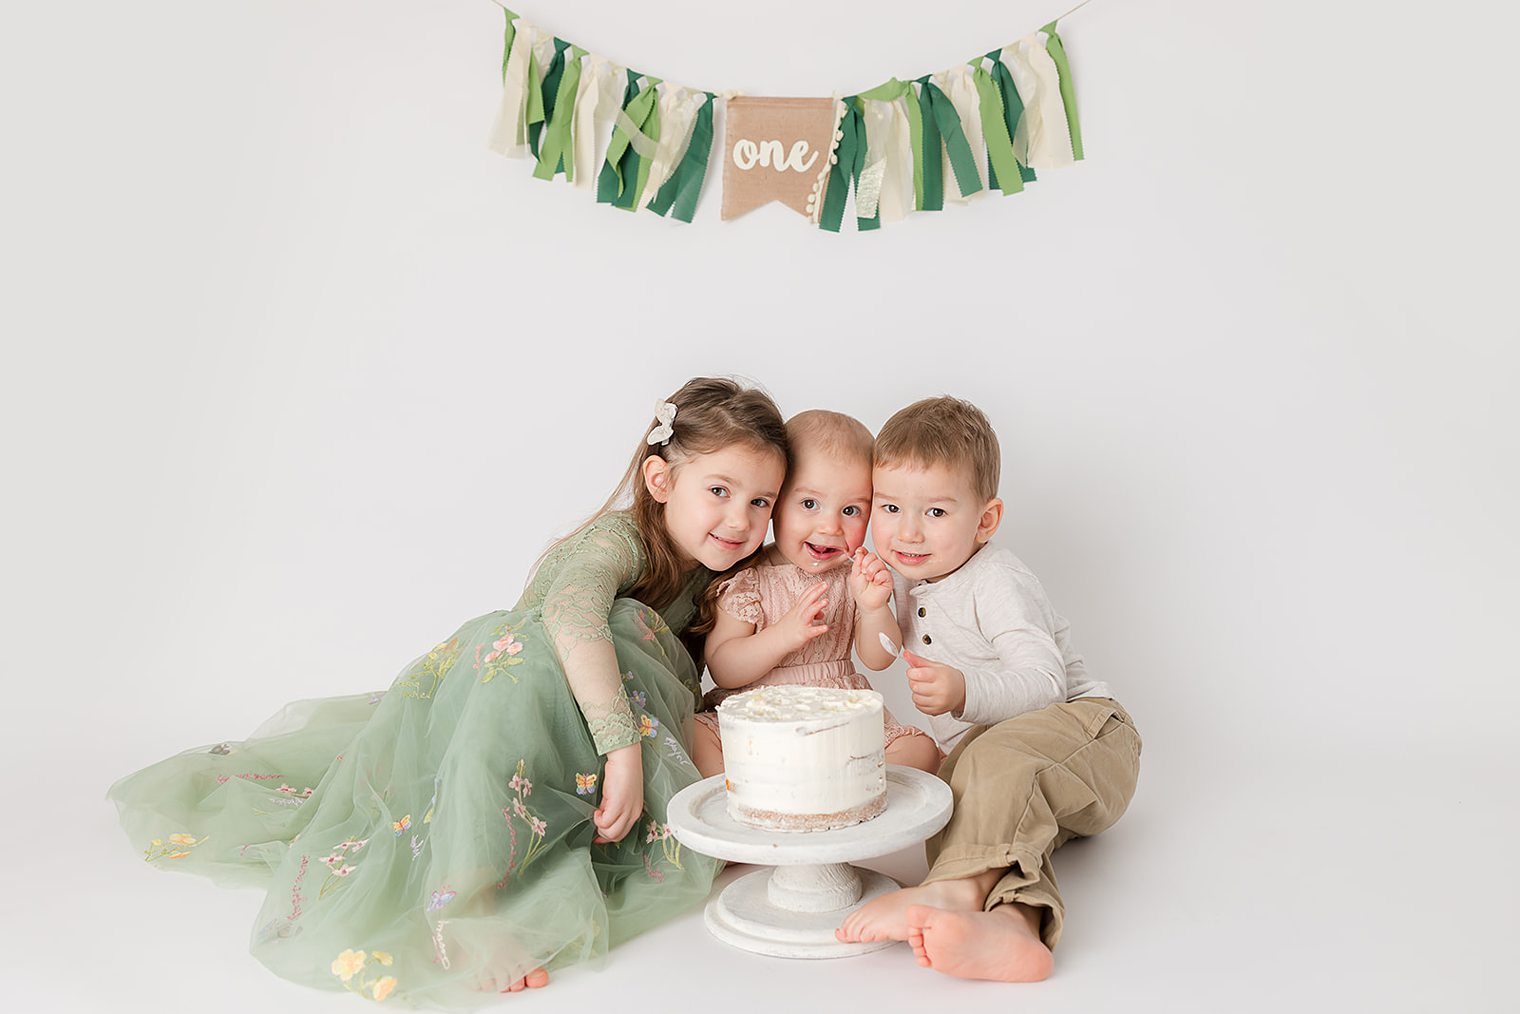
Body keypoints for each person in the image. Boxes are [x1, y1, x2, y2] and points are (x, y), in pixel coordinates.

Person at [108, 377, 789, 1007]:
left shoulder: (725, 571)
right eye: (720, 492)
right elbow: (571, 617)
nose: (740, 520)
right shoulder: (620, 541)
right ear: (661, 479)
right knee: (604, 627)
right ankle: (467, 903)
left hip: (579, 736)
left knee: (653, 664)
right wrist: (624, 750)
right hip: (515, 704)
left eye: (761, 502)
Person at [835, 395, 1141, 983]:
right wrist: (872, 607)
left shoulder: (996, 579)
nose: (907, 531)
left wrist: (963, 691)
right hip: (1013, 766)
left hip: (1093, 733)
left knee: (989, 758)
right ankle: (1015, 926)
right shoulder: (907, 576)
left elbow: (1047, 684)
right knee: (954, 798)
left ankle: (950, 892)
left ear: (985, 520)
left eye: (936, 512)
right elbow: (876, 659)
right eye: (891, 506)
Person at [690, 410, 941, 776]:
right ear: (775, 503)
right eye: (809, 504)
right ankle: (752, 800)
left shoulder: (853, 577)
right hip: (759, 715)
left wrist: (873, 609)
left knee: (921, 750)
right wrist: (782, 636)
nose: (830, 526)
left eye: (851, 510)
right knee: (695, 733)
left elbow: (879, 657)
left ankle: (835, 790)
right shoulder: (750, 578)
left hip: (838, 716)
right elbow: (724, 667)